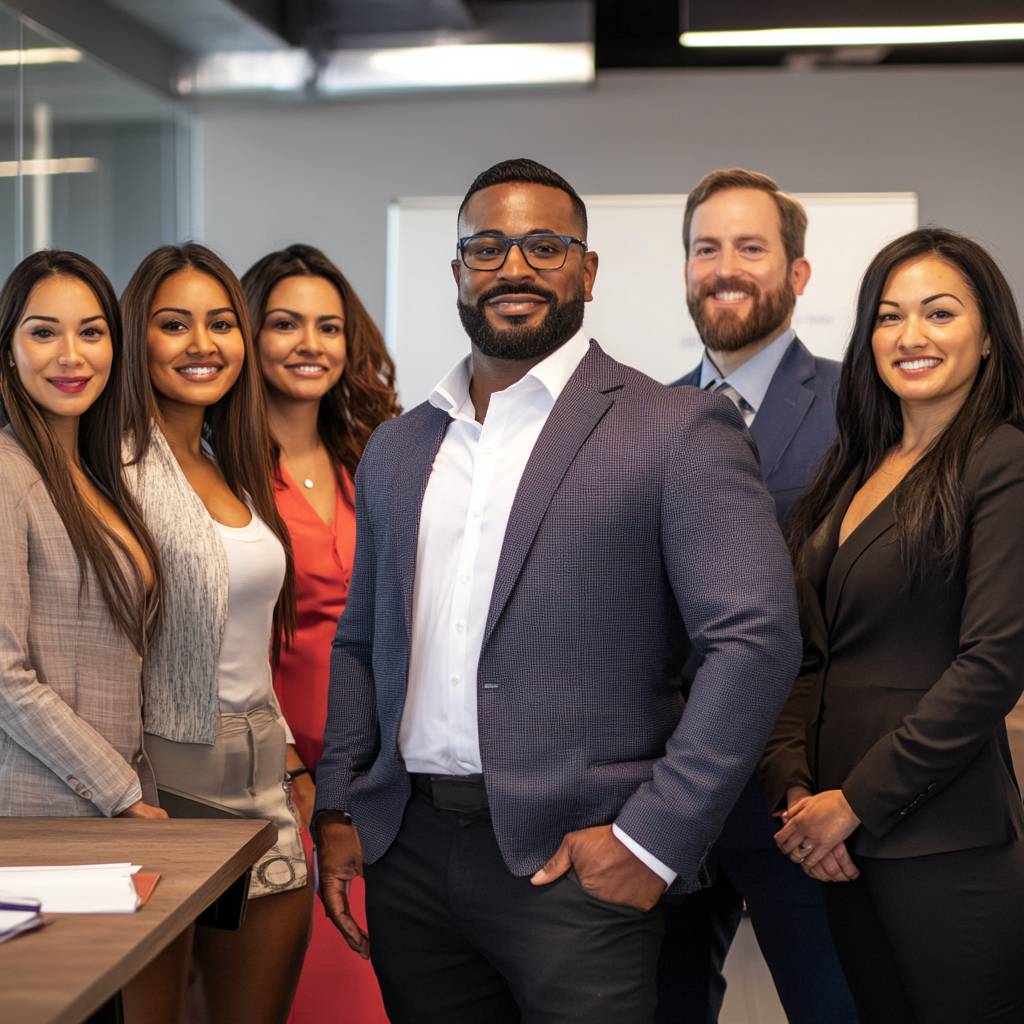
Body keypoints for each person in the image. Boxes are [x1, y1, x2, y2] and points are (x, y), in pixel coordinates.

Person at [313, 157, 802, 1023]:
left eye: (544, 247)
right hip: (412, 857)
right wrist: (341, 803)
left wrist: (652, 840)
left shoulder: (677, 428)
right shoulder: (399, 447)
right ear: (458, 270)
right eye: (488, 248)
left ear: (587, 269)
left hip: (581, 866)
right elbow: (361, 641)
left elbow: (755, 639)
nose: (514, 268)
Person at [767, 227, 1024, 1023]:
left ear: (987, 339)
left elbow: (991, 666)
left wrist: (857, 802)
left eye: (939, 314)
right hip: (839, 846)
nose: (910, 336)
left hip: (945, 846)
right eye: (888, 315)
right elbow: (805, 653)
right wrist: (797, 794)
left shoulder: (1003, 458)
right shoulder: (851, 469)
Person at [661, 168, 854, 1023]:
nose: (725, 267)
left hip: (805, 790)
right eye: (707, 248)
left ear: (798, 273)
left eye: (750, 246)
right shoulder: (648, 418)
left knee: (834, 1006)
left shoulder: (862, 405)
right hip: (672, 794)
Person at [121, 243, 311, 1024]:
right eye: (174, 324)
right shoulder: (114, 470)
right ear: (138, 338)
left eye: (221, 323)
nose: (203, 344)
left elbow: (246, 633)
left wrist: (293, 753)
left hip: (264, 772)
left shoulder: (228, 462)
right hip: (165, 781)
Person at [0, 250, 191, 1023]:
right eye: (44, 333)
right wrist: (119, 794)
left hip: (98, 823)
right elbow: (4, 675)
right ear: (8, 347)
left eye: (92, 332)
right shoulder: (6, 472)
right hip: (39, 817)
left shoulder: (91, 470)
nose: (72, 357)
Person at [243, 244, 400, 1024]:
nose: (310, 344)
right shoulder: (220, 471)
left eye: (329, 327)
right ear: (250, 335)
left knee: (385, 986)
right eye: (285, 324)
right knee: (310, 991)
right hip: (276, 774)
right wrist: (294, 770)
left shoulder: (374, 455)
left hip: (382, 769)